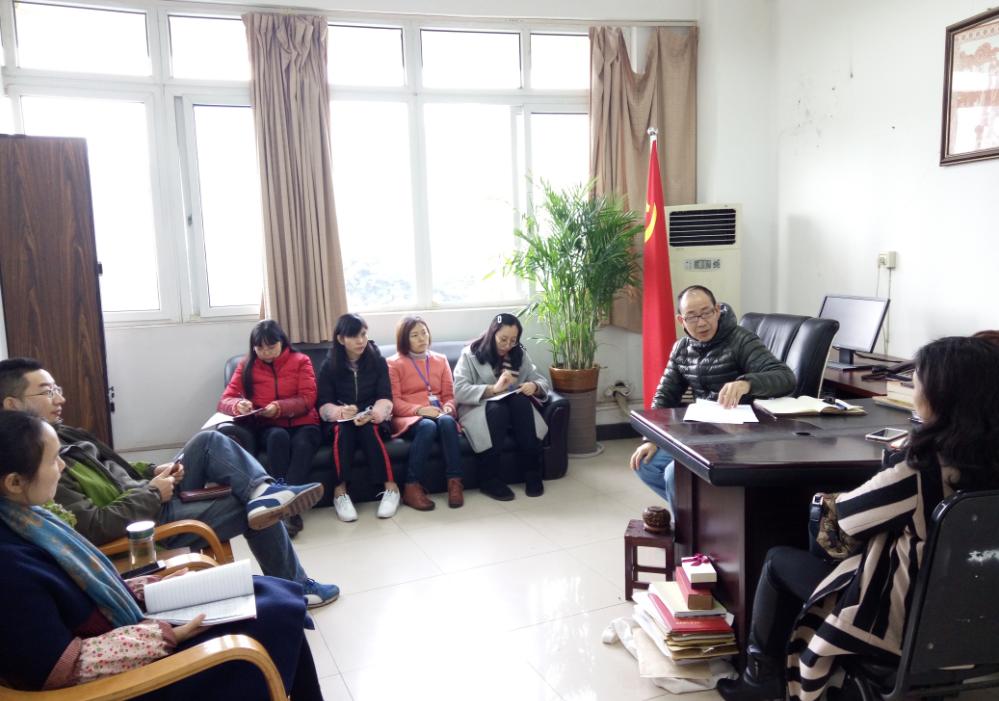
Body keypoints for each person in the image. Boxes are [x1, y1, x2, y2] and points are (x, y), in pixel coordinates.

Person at [716, 336, 999, 701]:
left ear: (941, 399)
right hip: (979, 615)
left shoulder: (921, 471)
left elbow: (846, 522)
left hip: (903, 622)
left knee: (778, 561)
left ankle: (759, 680)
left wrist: (887, 463)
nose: (914, 391)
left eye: (916, 384)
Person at [0, 410, 324, 699]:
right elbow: (60, 668)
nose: (61, 466)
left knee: (270, 593)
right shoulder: (10, 565)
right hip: (127, 674)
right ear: (14, 482)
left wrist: (148, 586)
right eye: (52, 460)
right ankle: (263, 498)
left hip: (125, 619)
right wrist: (166, 634)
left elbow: (82, 586)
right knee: (277, 616)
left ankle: (263, 497)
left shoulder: (32, 520)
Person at [0, 358, 339, 609]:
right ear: (12, 405)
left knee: (208, 441)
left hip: (145, 496)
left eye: (57, 390)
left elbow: (114, 469)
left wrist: (152, 471)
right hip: (144, 524)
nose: (60, 399)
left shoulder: (62, 435)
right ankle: (294, 584)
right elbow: (93, 526)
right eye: (47, 392)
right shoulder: (37, 463)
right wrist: (152, 492)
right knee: (248, 507)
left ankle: (264, 492)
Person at [629, 285, 795, 509]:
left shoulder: (740, 340)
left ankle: (691, 525)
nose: (701, 323)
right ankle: (701, 519)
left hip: (742, 436)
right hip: (702, 434)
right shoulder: (681, 349)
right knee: (645, 464)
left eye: (706, 313)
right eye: (692, 316)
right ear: (681, 320)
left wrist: (746, 383)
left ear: (717, 310)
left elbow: (786, 378)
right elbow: (664, 397)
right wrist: (651, 440)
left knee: (673, 475)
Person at [218, 319, 321, 538]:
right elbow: (225, 400)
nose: (266, 353)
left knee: (304, 443)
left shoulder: (301, 361)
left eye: (271, 347)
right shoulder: (246, 366)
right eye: (260, 348)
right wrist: (238, 405)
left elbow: (308, 398)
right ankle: (286, 505)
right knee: (277, 437)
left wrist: (280, 407)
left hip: (303, 422)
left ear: (282, 342)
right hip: (269, 425)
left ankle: (285, 506)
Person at [453, 313, 549, 501]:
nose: (507, 345)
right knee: (498, 409)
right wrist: (493, 389)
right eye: (503, 339)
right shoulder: (470, 354)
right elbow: (459, 390)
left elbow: (541, 380)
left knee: (520, 401)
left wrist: (534, 386)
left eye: (513, 340)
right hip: (479, 408)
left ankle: (532, 473)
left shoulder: (519, 353)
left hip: (514, 407)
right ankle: (489, 479)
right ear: (492, 333)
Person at [316, 313, 398, 522]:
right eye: (354, 336)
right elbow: (323, 403)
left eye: (363, 334)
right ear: (341, 339)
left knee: (369, 429)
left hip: (372, 417)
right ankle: (340, 492)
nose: (361, 340)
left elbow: (385, 396)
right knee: (343, 431)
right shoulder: (329, 366)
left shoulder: (377, 361)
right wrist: (339, 412)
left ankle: (391, 488)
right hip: (342, 420)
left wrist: (375, 413)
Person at [387, 315, 464, 510]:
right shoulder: (393, 363)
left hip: (438, 412)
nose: (422, 338)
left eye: (424, 333)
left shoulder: (441, 360)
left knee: (447, 421)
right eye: (415, 335)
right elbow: (394, 402)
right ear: (404, 339)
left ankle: (454, 483)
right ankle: (411, 487)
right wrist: (420, 410)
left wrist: (449, 407)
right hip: (409, 416)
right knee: (427, 426)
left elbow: (449, 395)